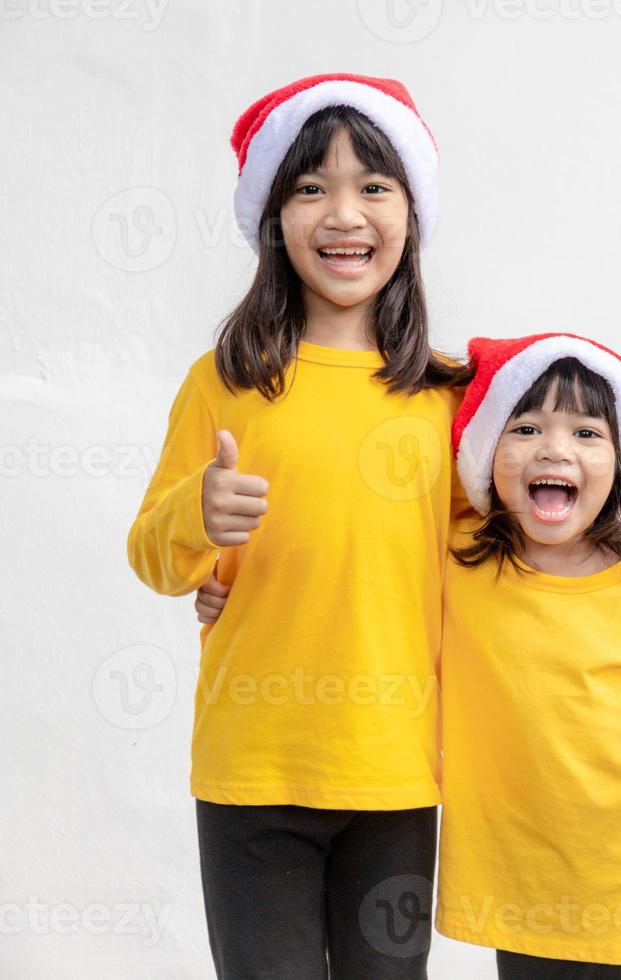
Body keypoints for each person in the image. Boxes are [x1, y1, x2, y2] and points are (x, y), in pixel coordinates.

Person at [128, 73, 460, 978]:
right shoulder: (223, 381)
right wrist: (196, 512)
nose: (343, 214)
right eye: (311, 187)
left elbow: (494, 567)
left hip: (396, 773)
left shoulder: (448, 397)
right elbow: (152, 553)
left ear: (411, 213)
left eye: (373, 186)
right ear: (275, 218)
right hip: (253, 769)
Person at [436, 333, 621, 977]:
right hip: (525, 897)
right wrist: (224, 585)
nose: (554, 448)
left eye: (586, 434)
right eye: (525, 427)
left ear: (620, 462)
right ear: (487, 454)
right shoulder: (461, 565)